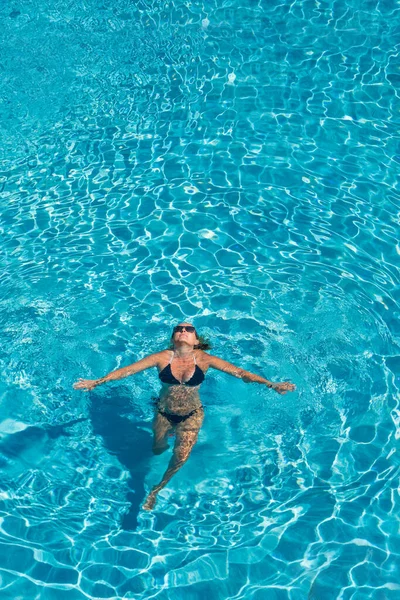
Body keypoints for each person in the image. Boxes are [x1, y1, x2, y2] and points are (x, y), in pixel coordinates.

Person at [73, 322, 295, 510]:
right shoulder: (162, 357)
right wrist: (97, 382)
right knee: (157, 448)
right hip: (163, 412)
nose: (183, 330)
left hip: (192, 415)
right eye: (178, 329)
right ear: (173, 338)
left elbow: (240, 373)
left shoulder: (205, 359)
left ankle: (156, 489)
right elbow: (128, 370)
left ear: (196, 340)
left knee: (180, 457)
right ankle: (162, 440)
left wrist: (271, 384)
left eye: (189, 329)